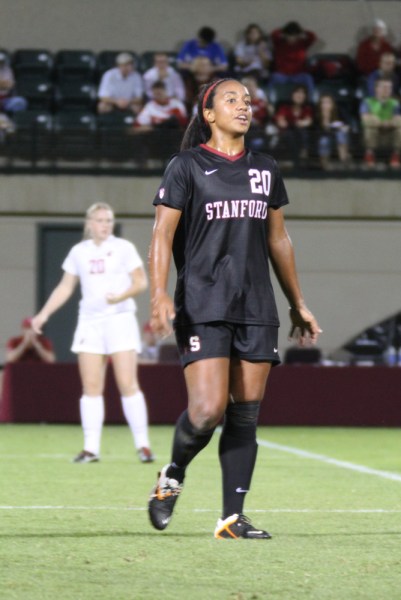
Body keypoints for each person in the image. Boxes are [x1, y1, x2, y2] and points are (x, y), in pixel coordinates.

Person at [147, 78, 321, 539]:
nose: (243, 106)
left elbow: (278, 239)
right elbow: (161, 235)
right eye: (231, 99)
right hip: (203, 301)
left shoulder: (265, 168)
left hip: (255, 304)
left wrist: (297, 303)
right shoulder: (185, 166)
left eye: (247, 100)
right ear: (208, 113)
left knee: (245, 412)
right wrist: (159, 294)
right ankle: (172, 475)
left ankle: (231, 519)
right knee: (206, 411)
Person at [31, 202, 155, 464]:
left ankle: (143, 445)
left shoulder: (123, 248)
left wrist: (120, 296)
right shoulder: (79, 252)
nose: (105, 225)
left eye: (108, 220)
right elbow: (65, 288)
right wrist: (43, 314)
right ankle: (90, 449)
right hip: (90, 323)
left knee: (127, 384)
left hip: (119, 319)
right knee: (90, 387)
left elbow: (141, 282)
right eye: (100, 220)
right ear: (89, 223)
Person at [359, 77, 401, 168]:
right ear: (376, 89)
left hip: (389, 135)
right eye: (384, 87)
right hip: (374, 135)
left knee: (400, 130)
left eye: (389, 87)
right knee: (369, 128)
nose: (387, 90)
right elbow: (365, 120)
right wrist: (385, 122)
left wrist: (381, 122)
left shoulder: (395, 103)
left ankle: (396, 156)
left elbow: (398, 120)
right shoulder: (367, 102)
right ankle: (369, 156)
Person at [269, 21, 317, 98]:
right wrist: (284, 30)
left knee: (308, 78)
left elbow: (312, 36)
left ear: (297, 36)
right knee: (274, 77)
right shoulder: (279, 43)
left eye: (294, 35)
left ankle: (311, 100)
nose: (291, 38)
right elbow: (273, 34)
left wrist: (301, 31)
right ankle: (269, 101)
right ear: (285, 35)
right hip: (282, 75)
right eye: (289, 35)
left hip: (298, 75)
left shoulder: (302, 44)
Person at [274, 84, 313, 165]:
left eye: (302, 93)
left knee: (302, 132)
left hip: (300, 134)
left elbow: (308, 121)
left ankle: (303, 157)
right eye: (297, 92)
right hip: (286, 136)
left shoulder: (307, 108)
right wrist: (284, 122)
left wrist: (301, 123)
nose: (299, 95)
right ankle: (296, 160)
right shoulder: (285, 107)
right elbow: (281, 121)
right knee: (290, 134)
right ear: (292, 95)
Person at [97, 52, 144, 116]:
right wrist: (117, 102)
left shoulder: (137, 76)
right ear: (119, 66)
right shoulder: (108, 75)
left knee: (138, 108)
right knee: (102, 106)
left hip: (130, 102)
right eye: (124, 65)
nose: (127, 67)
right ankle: (105, 124)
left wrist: (128, 101)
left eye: (129, 64)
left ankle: (135, 125)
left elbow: (139, 98)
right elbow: (103, 97)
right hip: (112, 102)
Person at [313, 93, 350, 170]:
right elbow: (316, 132)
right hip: (322, 138)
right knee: (324, 141)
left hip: (337, 137)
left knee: (341, 135)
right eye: (324, 102)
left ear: (333, 104)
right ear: (320, 104)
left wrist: (342, 127)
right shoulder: (316, 115)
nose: (326, 105)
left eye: (329, 102)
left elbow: (346, 125)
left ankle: (344, 162)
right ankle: (324, 165)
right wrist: (325, 122)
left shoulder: (339, 112)